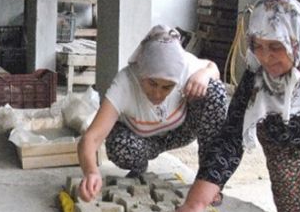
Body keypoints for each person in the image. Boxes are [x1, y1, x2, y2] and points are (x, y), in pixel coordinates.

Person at [165, 0, 300, 212]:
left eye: (276, 47)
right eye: (257, 45)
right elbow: (231, 137)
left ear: (297, 41)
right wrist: (195, 203)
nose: (265, 57)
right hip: (284, 146)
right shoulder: (257, 76)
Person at [78, 25, 228, 202]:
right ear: (141, 72)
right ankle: (139, 168)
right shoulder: (125, 82)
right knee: (118, 143)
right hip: (141, 141)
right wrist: (91, 172)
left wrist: (205, 74)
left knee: (214, 91)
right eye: (152, 84)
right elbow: (91, 138)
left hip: (179, 132)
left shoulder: (184, 65)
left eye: (167, 87)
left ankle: (208, 182)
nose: (158, 94)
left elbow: (213, 67)